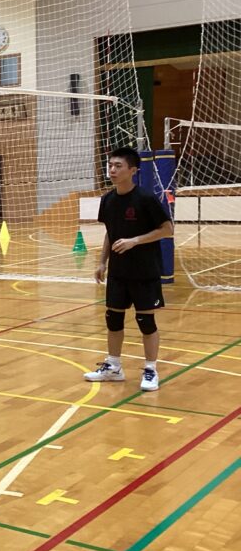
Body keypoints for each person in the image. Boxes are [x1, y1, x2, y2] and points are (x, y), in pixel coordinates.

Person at [84, 146, 174, 392]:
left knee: (146, 321)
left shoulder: (145, 199)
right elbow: (110, 233)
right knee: (113, 319)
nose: (112, 170)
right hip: (118, 272)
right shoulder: (107, 200)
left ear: (132, 170)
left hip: (144, 271)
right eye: (110, 165)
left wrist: (135, 241)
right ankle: (113, 367)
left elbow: (167, 230)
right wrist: (102, 262)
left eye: (118, 166)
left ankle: (151, 369)